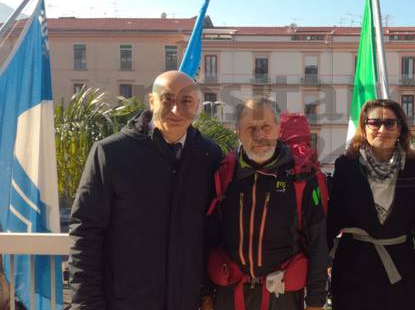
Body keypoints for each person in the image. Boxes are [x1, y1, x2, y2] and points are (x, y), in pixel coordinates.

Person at [68, 71, 223, 309]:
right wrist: (87, 304)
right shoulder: (111, 153)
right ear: (151, 101)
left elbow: (211, 234)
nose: (175, 110)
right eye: (167, 100)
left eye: (186, 101)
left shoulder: (210, 157)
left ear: (197, 106)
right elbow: (86, 234)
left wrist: (207, 293)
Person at [206, 97, 328, 310]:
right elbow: (206, 239)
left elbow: (318, 242)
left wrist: (316, 301)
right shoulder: (224, 173)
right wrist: (205, 294)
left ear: (278, 128)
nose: (259, 135)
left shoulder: (301, 177)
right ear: (237, 131)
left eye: (266, 127)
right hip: (230, 296)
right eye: (250, 127)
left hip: (282, 297)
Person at [328, 99, 415, 310]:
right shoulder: (346, 166)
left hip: (400, 268)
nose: (383, 129)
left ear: (400, 128)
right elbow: (333, 217)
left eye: (390, 123)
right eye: (375, 123)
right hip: (354, 267)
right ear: (364, 127)